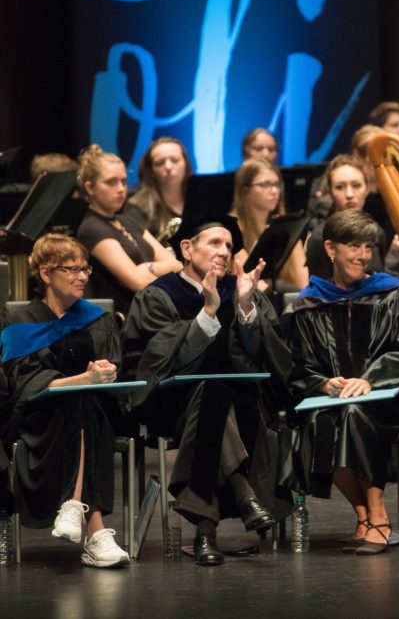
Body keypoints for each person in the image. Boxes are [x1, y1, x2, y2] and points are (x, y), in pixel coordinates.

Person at [123, 215, 292, 565]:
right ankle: (243, 493)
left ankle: (205, 532)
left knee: (216, 398)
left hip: (235, 402)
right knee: (211, 395)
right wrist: (209, 311)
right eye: (215, 243)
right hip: (174, 404)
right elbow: (160, 362)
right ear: (186, 248)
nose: (224, 252)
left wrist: (245, 305)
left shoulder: (240, 290)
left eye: (229, 246)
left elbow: (263, 355)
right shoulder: (157, 296)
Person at [288, 209, 399, 556]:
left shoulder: (392, 294)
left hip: (388, 397)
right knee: (318, 423)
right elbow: (299, 365)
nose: (363, 255)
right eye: (354, 247)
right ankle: (361, 515)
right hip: (334, 400)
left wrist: (370, 379)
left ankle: (380, 515)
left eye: (368, 247)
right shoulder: (308, 304)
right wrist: (324, 384)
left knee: (355, 414)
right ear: (330, 249)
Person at [1, 234, 129, 567]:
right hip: (40, 421)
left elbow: (114, 370)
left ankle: (75, 507)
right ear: (45, 274)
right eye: (72, 269)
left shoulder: (96, 319)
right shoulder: (19, 323)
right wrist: (82, 380)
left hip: (92, 416)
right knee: (80, 400)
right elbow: (22, 384)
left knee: (84, 403)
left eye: (85, 269)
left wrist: (103, 372)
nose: (83, 276)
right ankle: (95, 531)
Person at [74, 145, 183, 314]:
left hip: (152, 310)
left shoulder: (127, 220)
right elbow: (139, 283)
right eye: (111, 182)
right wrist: (156, 272)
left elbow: (176, 265)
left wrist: (148, 267)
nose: (120, 189)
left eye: (124, 181)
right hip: (124, 320)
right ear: (89, 188)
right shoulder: (92, 227)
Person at [230, 158, 309, 292]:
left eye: (277, 184)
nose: (274, 191)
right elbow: (250, 281)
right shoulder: (231, 229)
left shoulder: (285, 225)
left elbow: (303, 284)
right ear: (245, 190)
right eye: (265, 184)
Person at [305, 155, 387, 279]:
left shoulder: (377, 230)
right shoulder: (319, 238)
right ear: (331, 193)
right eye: (339, 187)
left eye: (356, 185)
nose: (349, 194)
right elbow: (318, 290)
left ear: (367, 190)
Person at [125, 137, 192, 242]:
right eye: (160, 162)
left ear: (186, 164)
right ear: (151, 170)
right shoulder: (137, 207)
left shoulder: (201, 198)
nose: (168, 167)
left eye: (175, 160)